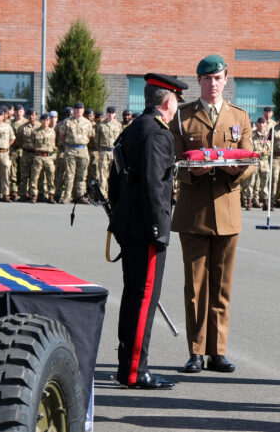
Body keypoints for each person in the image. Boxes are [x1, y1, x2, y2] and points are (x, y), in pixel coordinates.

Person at [171, 55, 255, 374]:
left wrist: (237, 172)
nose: (213, 83)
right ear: (199, 81)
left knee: (222, 286)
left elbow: (249, 159)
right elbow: (174, 162)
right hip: (193, 212)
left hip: (228, 210)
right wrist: (194, 171)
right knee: (196, 287)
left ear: (226, 80)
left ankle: (217, 351)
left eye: (218, 77)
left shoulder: (239, 117)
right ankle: (195, 351)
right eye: (207, 79)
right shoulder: (182, 116)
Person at [108, 73, 186, 389]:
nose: (177, 105)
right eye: (177, 100)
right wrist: (159, 228)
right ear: (168, 102)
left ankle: (128, 364)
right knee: (143, 299)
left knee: (133, 296)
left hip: (128, 224)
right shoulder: (158, 134)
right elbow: (156, 186)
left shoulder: (133, 129)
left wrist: (118, 214)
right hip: (146, 228)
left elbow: (115, 179)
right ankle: (135, 371)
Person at [58, 102, 93, 204]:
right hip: (70, 150)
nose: (79, 110)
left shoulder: (87, 123)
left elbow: (89, 136)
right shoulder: (67, 122)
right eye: (77, 109)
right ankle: (67, 197)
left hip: (83, 149)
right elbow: (61, 136)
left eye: (81, 109)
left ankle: (80, 196)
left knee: (82, 175)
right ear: (74, 110)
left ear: (83, 110)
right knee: (69, 174)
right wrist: (70, 144)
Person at [95, 106, 123, 198]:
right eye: (109, 113)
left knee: (114, 175)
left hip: (114, 152)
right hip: (104, 151)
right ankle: (103, 195)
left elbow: (121, 140)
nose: (110, 115)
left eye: (112, 113)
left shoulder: (118, 125)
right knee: (102, 174)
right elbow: (97, 141)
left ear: (115, 114)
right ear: (106, 113)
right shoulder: (101, 125)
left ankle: (112, 195)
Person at [29, 113, 57, 204]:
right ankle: (34, 195)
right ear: (40, 121)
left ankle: (51, 196)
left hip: (48, 157)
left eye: (47, 120)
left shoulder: (52, 132)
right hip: (38, 156)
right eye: (43, 120)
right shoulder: (35, 132)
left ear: (49, 121)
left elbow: (54, 144)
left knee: (51, 176)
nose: (45, 122)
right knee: (34, 177)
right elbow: (32, 143)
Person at [246, 116, 271, 210]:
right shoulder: (252, 135)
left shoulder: (268, 136)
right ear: (257, 124)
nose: (261, 125)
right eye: (259, 123)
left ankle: (265, 202)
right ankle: (249, 202)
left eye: (263, 123)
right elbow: (250, 148)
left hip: (264, 162)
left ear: (265, 124)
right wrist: (260, 152)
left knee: (265, 183)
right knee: (251, 182)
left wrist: (263, 152)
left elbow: (270, 150)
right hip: (254, 161)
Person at [16, 109, 40, 202]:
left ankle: (33, 194)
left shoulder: (40, 126)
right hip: (25, 153)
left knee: (34, 176)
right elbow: (19, 140)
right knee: (24, 175)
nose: (31, 117)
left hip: (36, 154)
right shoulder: (22, 127)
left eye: (33, 115)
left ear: (36, 116)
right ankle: (23, 194)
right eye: (29, 115)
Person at [9, 104, 28, 201]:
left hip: (24, 150)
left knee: (24, 171)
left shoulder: (27, 122)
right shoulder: (10, 123)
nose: (18, 113)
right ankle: (14, 190)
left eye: (20, 111)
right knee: (13, 171)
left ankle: (24, 191)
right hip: (14, 149)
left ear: (23, 112)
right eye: (17, 111)